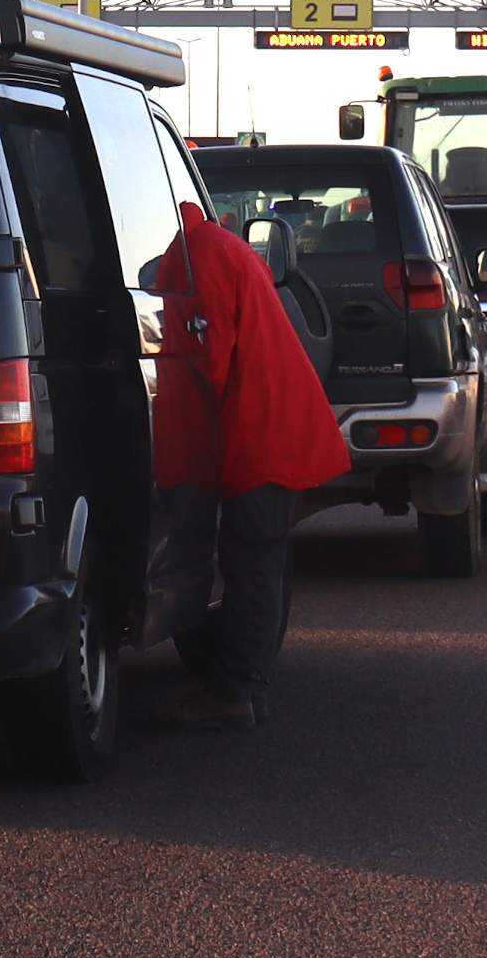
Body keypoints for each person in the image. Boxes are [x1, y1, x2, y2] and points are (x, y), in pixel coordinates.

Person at [138, 203, 353, 733]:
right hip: (272, 424)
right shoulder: (222, 248)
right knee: (263, 558)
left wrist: (189, 457)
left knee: (251, 559)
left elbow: (209, 355)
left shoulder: (194, 260)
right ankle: (244, 679)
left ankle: (235, 689)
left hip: (258, 431)